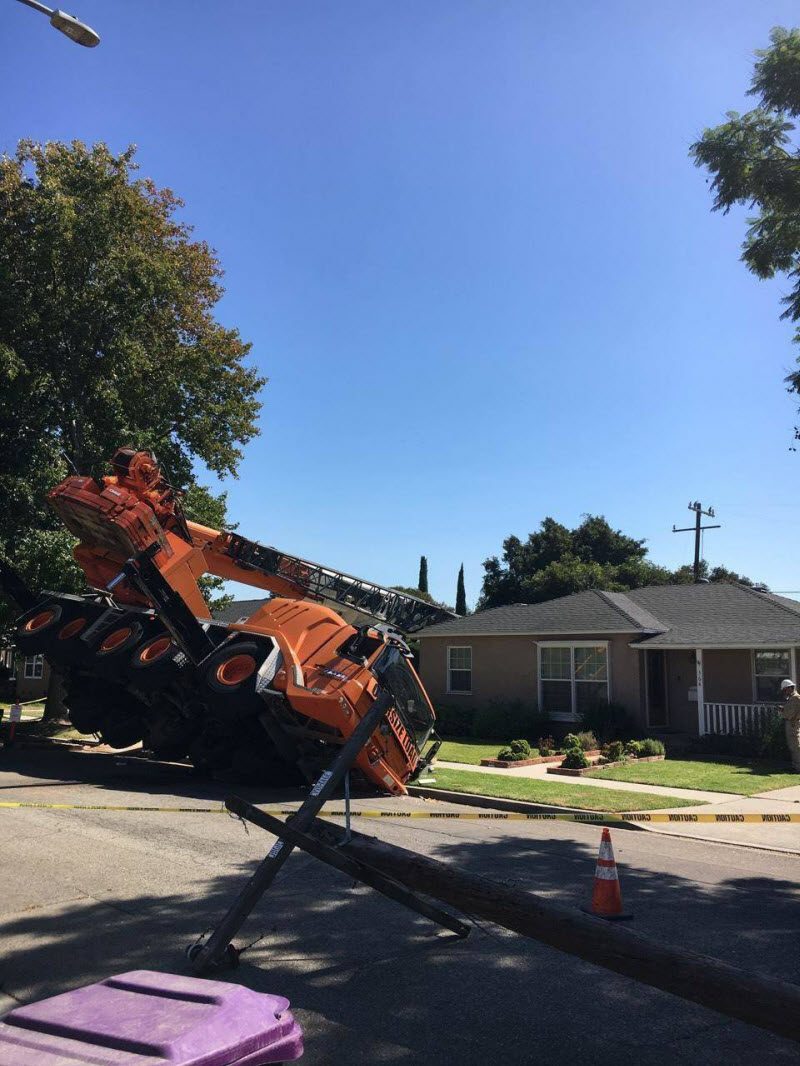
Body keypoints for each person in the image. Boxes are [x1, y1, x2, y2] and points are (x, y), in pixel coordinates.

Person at [778, 679, 800, 771]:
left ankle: (798, 767)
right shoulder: (792, 698)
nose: (784, 692)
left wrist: (782, 711)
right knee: (792, 746)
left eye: (785, 690)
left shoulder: (795, 698)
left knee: (796, 746)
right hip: (792, 724)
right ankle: (795, 765)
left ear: (790, 688)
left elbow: (790, 714)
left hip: (793, 724)